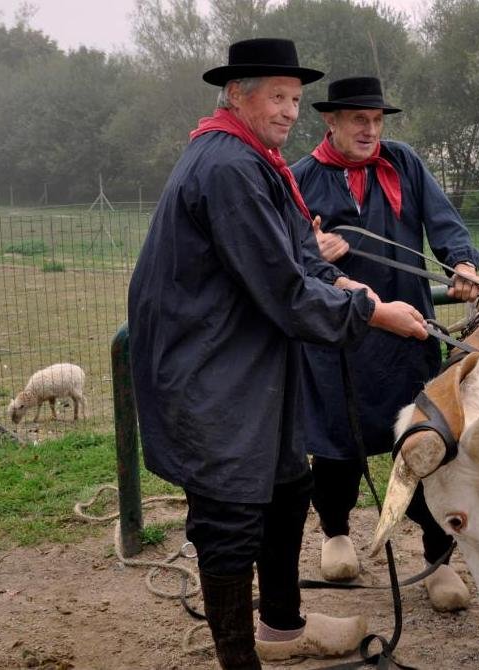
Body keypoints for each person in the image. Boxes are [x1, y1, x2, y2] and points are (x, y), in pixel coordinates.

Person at [127, 40, 428, 670]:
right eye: (277, 97)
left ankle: (284, 627)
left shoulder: (253, 159)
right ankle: (240, 661)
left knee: (289, 486)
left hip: (249, 363)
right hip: (211, 369)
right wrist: (374, 314)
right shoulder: (229, 168)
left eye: (295, 98)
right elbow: (285, 289)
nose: (290, 111)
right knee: (230, 517)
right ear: (238, 95)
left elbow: (296, 254)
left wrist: (343, 283)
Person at [291, 76, 479, 612]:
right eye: (359, 120)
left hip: (408, 337)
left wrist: (463, 264)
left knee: (427, 446)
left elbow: (443, 221)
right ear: (330, 121)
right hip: (337, 343)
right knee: (336, 447)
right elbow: (284, 257)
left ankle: (438, 559)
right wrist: (311, 252)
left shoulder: (404, 162)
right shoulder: (299, 178)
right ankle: (336, 533)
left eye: (377, 120)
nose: (370, 130)